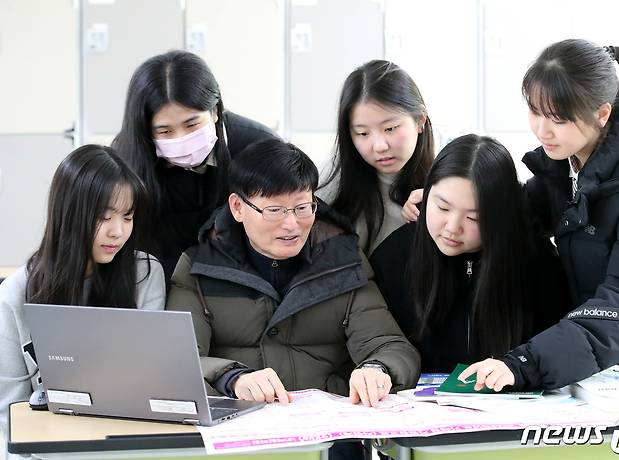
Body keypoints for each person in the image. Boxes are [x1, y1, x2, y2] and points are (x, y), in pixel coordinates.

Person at [167, 138, 419, 459]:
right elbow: (178, 363)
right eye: (274, 210)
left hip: (329, 443)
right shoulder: (200, 268)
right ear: (238, 207)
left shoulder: (342, 260)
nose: (291, 224)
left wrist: (378, 368)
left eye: (302, 207)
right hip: (241, 441)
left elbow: (392, 346)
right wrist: (232, 377)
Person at [461, 39, 619, 392]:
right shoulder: (567, 167)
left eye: (559, 118)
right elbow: (513, 218)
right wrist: (446, 201)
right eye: (536, 111)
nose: (542, 130)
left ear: (602, 113)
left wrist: (525, 363)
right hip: (606, 372)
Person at [0, 145, 166, 438]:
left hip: (127, 438)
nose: (117, 231)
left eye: (127, 217)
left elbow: (148, 383)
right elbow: (9, 413)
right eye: (104, 216)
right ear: (69, 214)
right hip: (49, 445)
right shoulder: (16, 293)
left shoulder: (144, 273)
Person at [371, 134, 570, 373]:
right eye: (442, 207)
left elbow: (556, 351)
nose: (452, 227)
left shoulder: (538, 265)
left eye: (474, 217)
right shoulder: (393, 257)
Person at [113, 50, 278, 280]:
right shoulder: (127, 155)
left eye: (192, 125)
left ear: (215, 111)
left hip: (241, 278)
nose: (180, 139)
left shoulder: (258, 147)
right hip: (157, 278)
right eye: (165, 131)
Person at [319, 59, 434, 256]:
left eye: (390, 129)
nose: (380, 146)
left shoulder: (449, 177)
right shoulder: (331, 184)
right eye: (363, 133)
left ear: (420, 120)